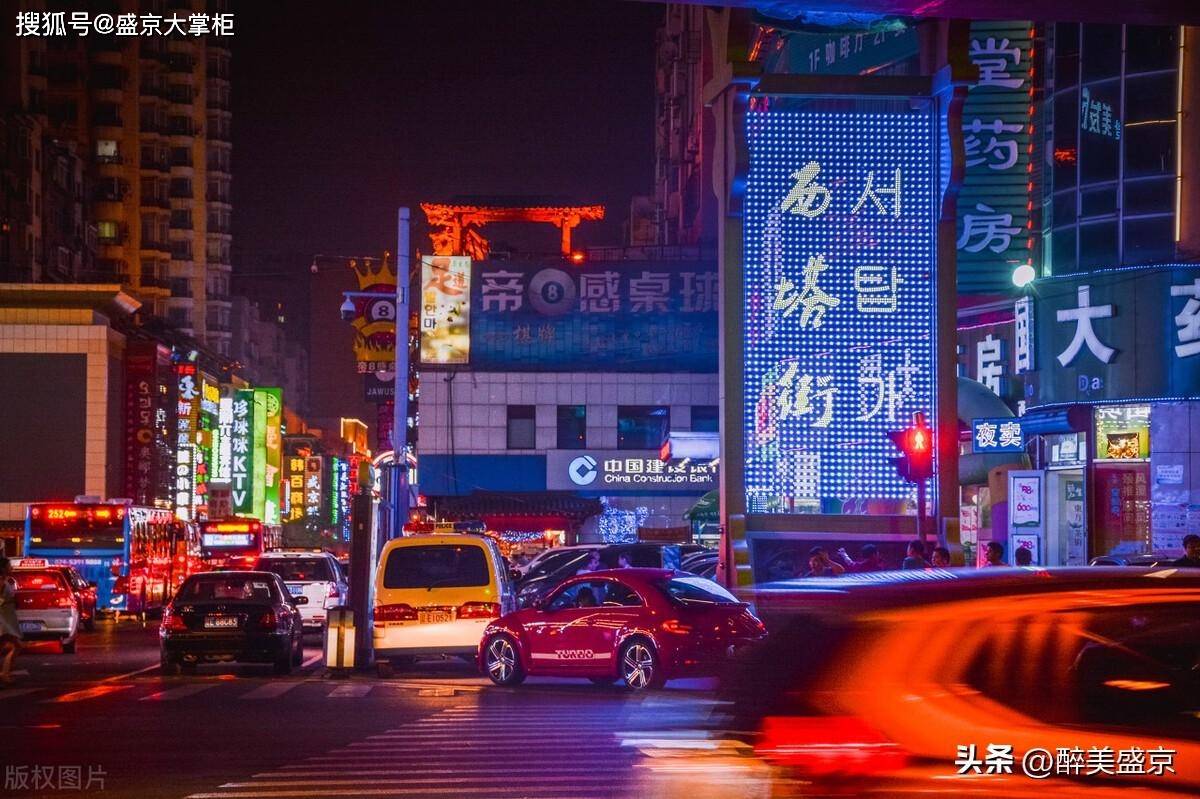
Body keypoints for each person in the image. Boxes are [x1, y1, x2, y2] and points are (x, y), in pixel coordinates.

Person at [0, 557, 21, 686]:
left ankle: (4, 674)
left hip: (7, 618)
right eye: (9, 565)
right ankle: (4, 674)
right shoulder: (1, 581)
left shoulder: (6, 580)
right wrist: (8, 601)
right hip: (3, 619)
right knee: (16, 645)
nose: (11, 568)